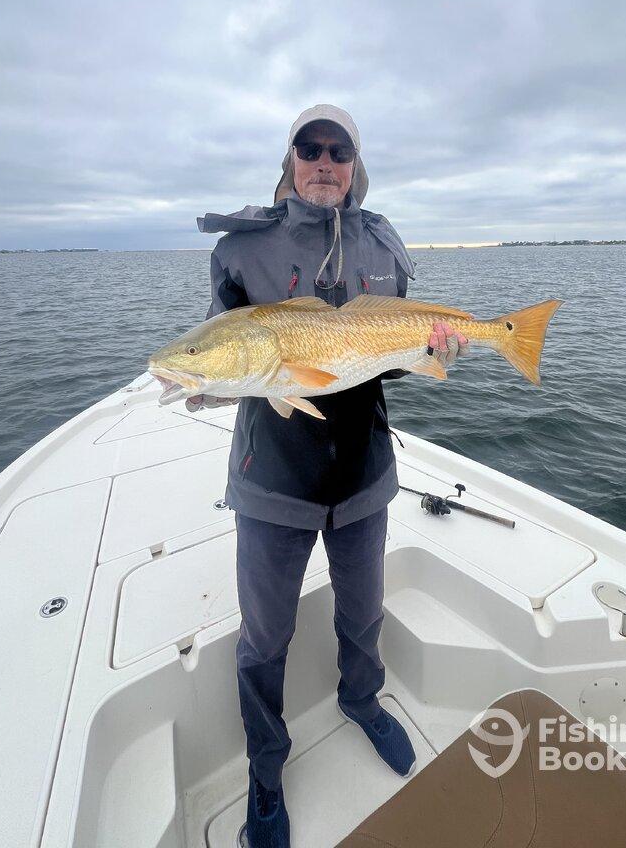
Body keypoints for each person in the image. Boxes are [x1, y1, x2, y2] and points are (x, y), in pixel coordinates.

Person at [193, 105, 468, 848]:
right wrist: (200, 376)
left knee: (363, 612)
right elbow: (219, 346)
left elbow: (398, 360)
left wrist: (437, 352)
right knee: (264, 638)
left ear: (354, 165)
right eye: (309, 148)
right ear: (288, 160)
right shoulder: (240, 249)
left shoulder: (384, 240)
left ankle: (362, 700)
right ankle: (266, 767)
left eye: (337, 151)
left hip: (365, 473)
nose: (323, 161)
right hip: (273, 479)